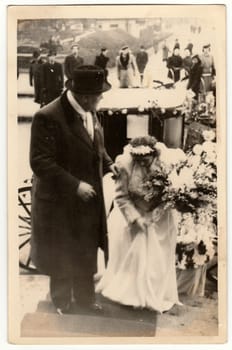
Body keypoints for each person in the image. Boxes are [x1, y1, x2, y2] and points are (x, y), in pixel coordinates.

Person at [30, 65, 119, 315]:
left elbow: (96, 146)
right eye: (99, 94)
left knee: (86, 248)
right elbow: (40, 162)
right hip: (60, 200)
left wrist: (110, 164)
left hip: (88, 200)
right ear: (84, 96)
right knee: (62, 251)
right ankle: (61, 303)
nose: (101, 98)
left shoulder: (89, 111)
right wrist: (75, 185)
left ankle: (85, 299)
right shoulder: (47, 117)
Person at [96, 136, 181, 313]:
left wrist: (153, 216)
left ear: (154, 155)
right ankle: (132, 294)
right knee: (133, 255)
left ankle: (156, 292)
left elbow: (171, 196)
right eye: (138, 160)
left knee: (157, 258)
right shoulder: (124, 164)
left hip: (160, 217)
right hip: (132, 215)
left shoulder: (166, 164)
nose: (142, 164)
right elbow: (121, 196)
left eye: (146, 160)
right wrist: (135, 218)